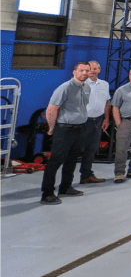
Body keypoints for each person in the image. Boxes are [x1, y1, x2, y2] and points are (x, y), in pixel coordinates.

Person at [40, 62, 92, 205]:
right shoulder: (65, 88)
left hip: (80, 128)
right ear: (74, 72)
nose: (84, 73)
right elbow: (51, 109)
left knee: (72, 159)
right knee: (56, 161)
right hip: (64, 129)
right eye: (81, 70)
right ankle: (47, 193)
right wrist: (51, 127)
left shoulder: (87, 87)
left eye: (87, 71)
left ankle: (65, 187)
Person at [79, 60, 110, 185]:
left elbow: (107, 102)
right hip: (82, 121)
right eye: (91, 68)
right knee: (76, 149)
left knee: (91, 149)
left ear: (99, 70)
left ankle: (86, 175)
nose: (93, 70)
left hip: (98, 121)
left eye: (96, 68)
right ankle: (66, 180)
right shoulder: (80, 84)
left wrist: (106, 119)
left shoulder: (104, 84)